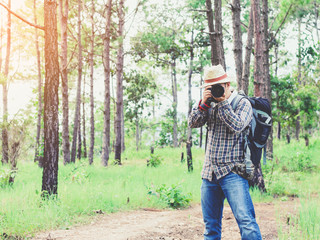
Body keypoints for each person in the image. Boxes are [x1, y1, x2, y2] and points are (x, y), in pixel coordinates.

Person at [188, 64, 262, 240]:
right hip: (209, 173)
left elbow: (238, 125)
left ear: (228, 85)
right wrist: (203, 104)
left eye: (219, 86)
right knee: (210, 227)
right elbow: (193, 123)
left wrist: (222, 103)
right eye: (211, 87)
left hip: (232, 172)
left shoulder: (242, 103)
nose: (216, 90)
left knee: (246, 223)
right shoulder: (208, 104)